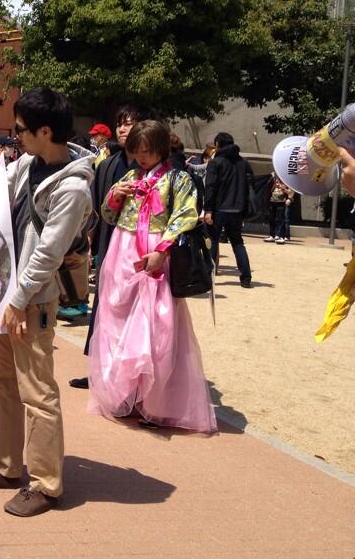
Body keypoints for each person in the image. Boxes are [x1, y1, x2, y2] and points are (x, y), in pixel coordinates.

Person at [0, 88, 93, 517]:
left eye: (20, 130)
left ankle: (47, 485)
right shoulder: (28, 165)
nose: (15, 136)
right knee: (4, 385)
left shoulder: (73, 187)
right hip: (4, 296)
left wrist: (18, 301)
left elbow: (48, 253)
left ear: (45, 131)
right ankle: (6, 465)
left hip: (31, 302)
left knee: (38, 392)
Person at [87, 120, 217, 433]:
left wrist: (163, 250)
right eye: (137, 151)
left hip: (155, 252)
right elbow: (107, 215)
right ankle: (123, 393)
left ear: (161, 148)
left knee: (156, 325)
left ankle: (155, 401)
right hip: (122, 250)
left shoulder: (178, 178)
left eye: (147, 151)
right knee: (117, 320)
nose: (141, 157)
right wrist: (114, 195)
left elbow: (185, 216)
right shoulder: (131, 176)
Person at [69, 104, 157, 386]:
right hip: (109, 246)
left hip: (140, 250)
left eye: (130, 123)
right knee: (104, 307)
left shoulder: (155, 167)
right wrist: (88, 240)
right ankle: (99, 371)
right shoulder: (108, 164)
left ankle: (131, 379)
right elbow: (95, 209)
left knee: (135, 313)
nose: (122, 129)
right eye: (120, 123)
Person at [203, 132, 254, 288]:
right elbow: (249, 185)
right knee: (237, 242)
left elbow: (210, 187)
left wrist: (208, 209)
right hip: (237, 209)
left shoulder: (216, 162)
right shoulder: (243, 163)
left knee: (212, 241)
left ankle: (209, 277)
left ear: (218, 144)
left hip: (219, 209)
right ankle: (246, 278)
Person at [265, 174, 294, 245]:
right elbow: (270, 190)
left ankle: (281, 236)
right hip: (272, 201)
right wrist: (275, 185)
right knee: (271, 219)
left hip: (281, 202)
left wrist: (282, 188)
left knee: (281, 219)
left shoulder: (286, 181)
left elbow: (290, 192)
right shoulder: (273, 179)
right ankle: (272, 235)